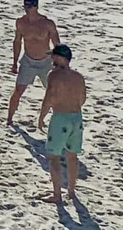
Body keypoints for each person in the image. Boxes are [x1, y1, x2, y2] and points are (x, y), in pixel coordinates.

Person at [36, 44, 88, 205]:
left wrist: (41, 117)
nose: (51, 59)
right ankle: (71, 191)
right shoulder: (78, 76)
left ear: (59, 58)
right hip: (77, 118)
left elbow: (49, 97)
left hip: (61, 118)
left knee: (54, 158)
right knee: (72, 157)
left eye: (53, 56)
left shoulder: (54, 75)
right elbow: (83, 99)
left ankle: (57, 194)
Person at [6, 0, 62, 125]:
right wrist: (14, 62)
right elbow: (17, 42)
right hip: (28, 61)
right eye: (25, 6)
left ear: (36, 7)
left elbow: (57, 44)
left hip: (45, 62)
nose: (27, 9)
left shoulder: (47, 23)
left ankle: (58, 119)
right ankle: (9, 119)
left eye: (29, 7)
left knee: (53, 92)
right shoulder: (21, 22)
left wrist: (59, 63)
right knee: (18, 90)